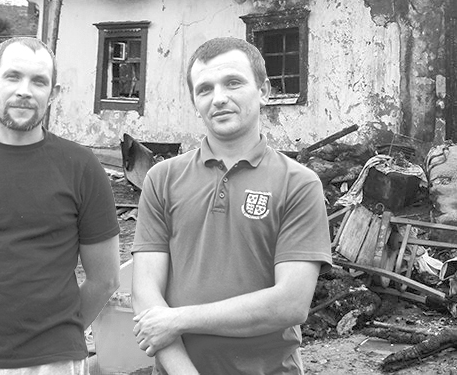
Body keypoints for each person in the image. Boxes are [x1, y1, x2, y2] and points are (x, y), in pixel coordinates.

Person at [132, 37, 332, 374]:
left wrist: (179, 319)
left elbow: (290, 303)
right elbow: (145, 293)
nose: (219, 98)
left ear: (263, 91)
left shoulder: (298, 184)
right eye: (204, 89)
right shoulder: (162, 179)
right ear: (195, 102)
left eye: (233, 83)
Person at [0, 37, 121, 373]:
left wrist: (59, 333)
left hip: (53, 362)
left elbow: (105, 279)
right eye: (13, 77)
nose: (24, 91)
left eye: (38, 81)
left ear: (53, 93)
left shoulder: (82, 167)